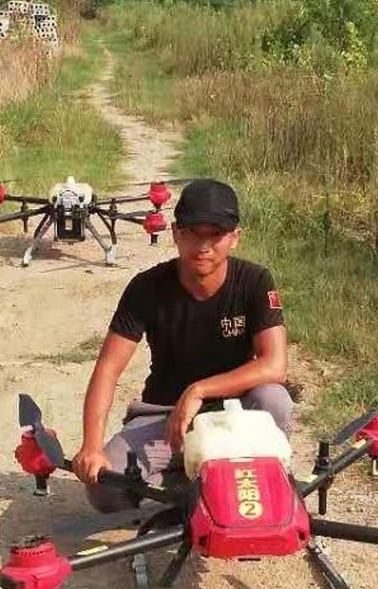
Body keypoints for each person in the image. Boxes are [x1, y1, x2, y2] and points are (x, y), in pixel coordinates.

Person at [71, 178, 293, 513]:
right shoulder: (146, 288)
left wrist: (198, 391)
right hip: (167, 423)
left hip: (234, 418)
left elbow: (274, 365)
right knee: (105, 491)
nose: (203, 245)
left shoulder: (255, 281)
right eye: (192, 232)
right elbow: (108, 368)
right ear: (175, 233)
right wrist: (90, 446)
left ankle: (265, 479)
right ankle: (189, 481)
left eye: (215, 234)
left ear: (234, 238)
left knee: (273, 397)